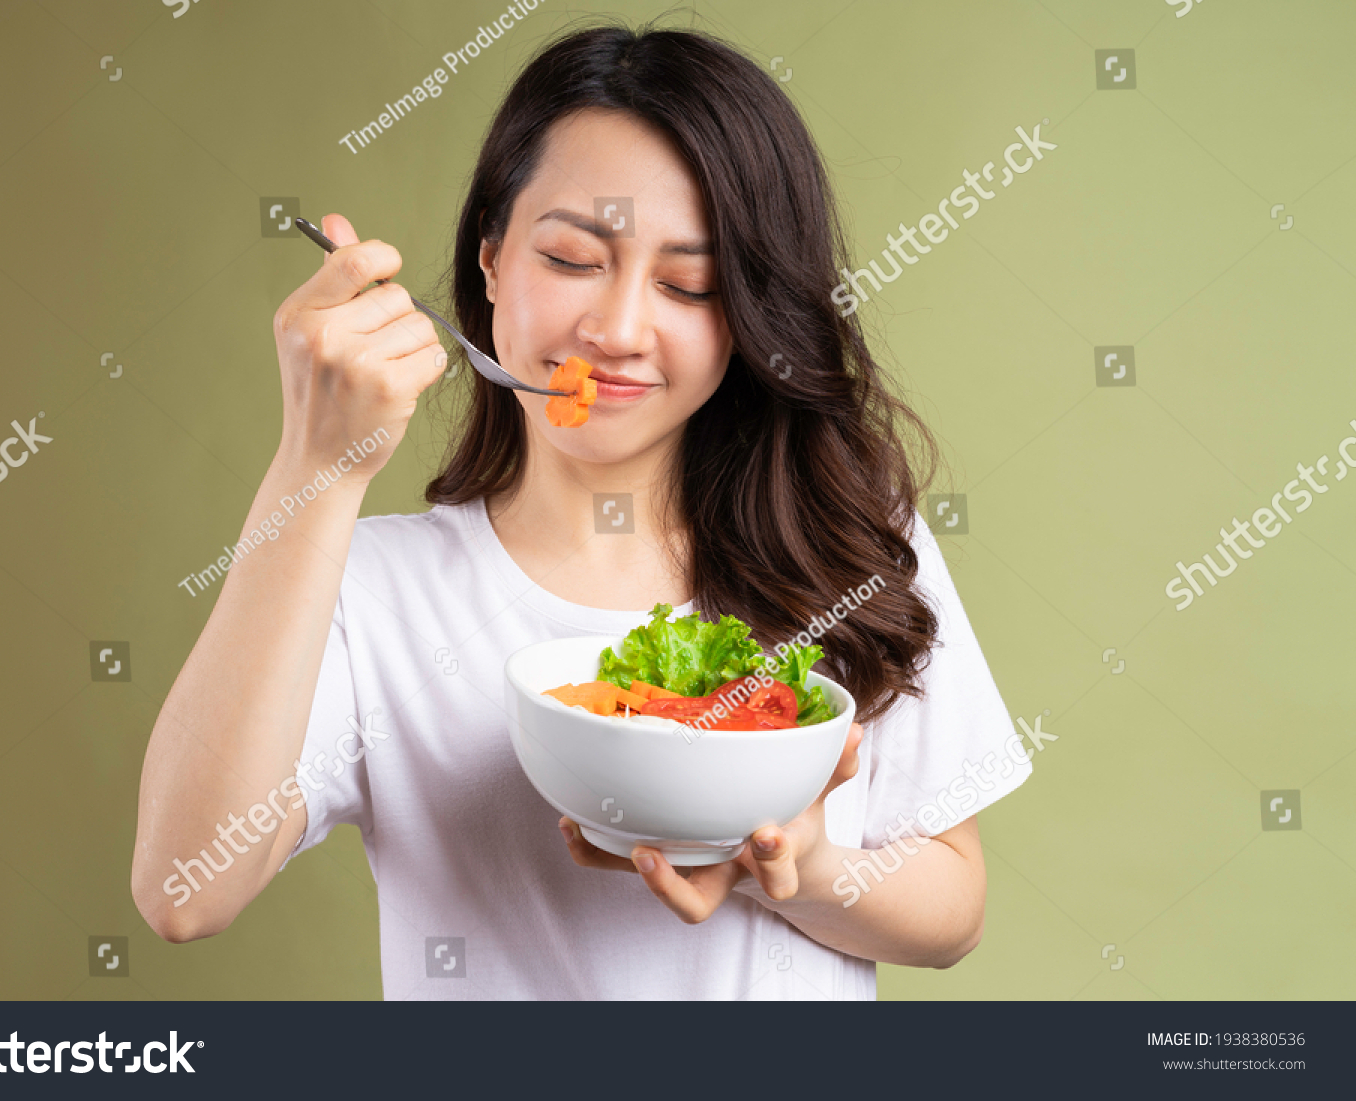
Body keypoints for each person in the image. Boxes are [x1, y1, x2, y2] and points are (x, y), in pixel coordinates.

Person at [131, 21, 1033, 1000]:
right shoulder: (373, 590)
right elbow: (184, 893)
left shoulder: (843, 538)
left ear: (749, 317)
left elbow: (956, 909)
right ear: (489, 260)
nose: (616, 331)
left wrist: (795, 869)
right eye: (570, 260)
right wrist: (316, 464)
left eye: (689, 284)